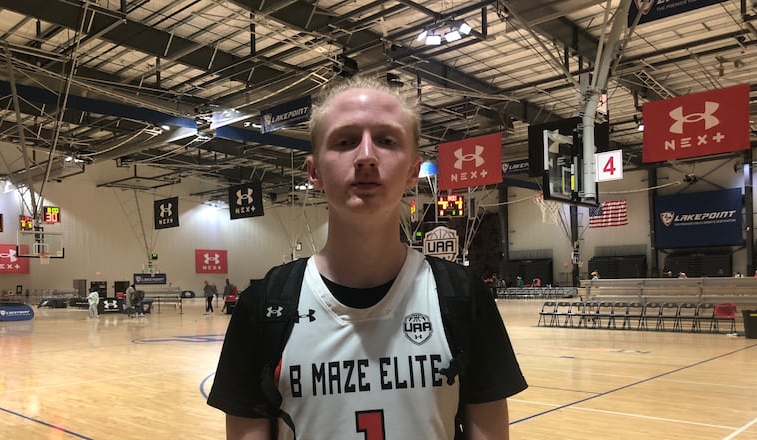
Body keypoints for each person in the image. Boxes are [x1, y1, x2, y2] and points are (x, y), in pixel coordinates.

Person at [207, 76, 527, 439]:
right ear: (314, 172)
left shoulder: (464, 297)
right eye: (345, 142)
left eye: (387, 141)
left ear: (413, 170)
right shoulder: (264, 306)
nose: (366, 157)